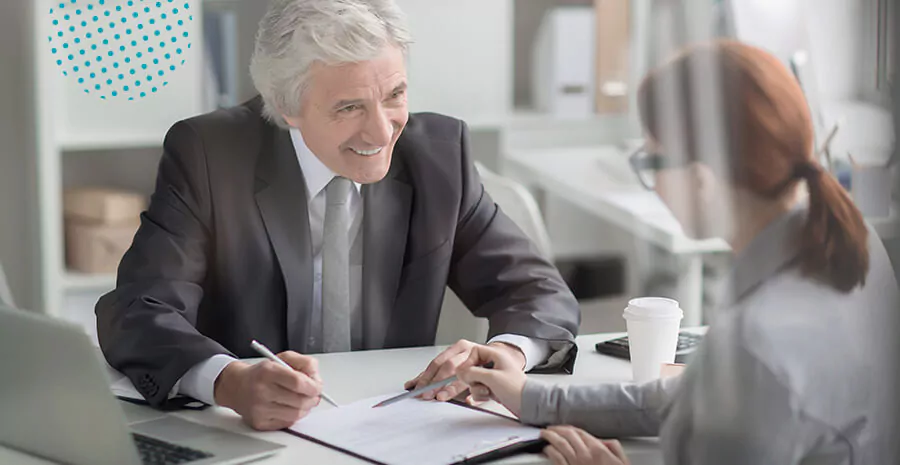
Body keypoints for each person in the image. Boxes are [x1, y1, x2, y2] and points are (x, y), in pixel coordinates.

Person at [95, 0, 580, 431]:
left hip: (392, 426)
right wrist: (227, 381)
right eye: (349, 107)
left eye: (394, 95)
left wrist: (507, 355)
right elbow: (139, 310)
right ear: (287, 107)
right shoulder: (209, 154)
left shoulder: (438, 157)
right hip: (254, 435)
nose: (381, 129)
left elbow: (538, 291)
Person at [457, 40, 900, 465]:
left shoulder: (758, 343)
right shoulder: (853, 240)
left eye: (651, 163)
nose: (650, 181)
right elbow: (703, 398)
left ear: (702, 181)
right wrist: (531, 397)